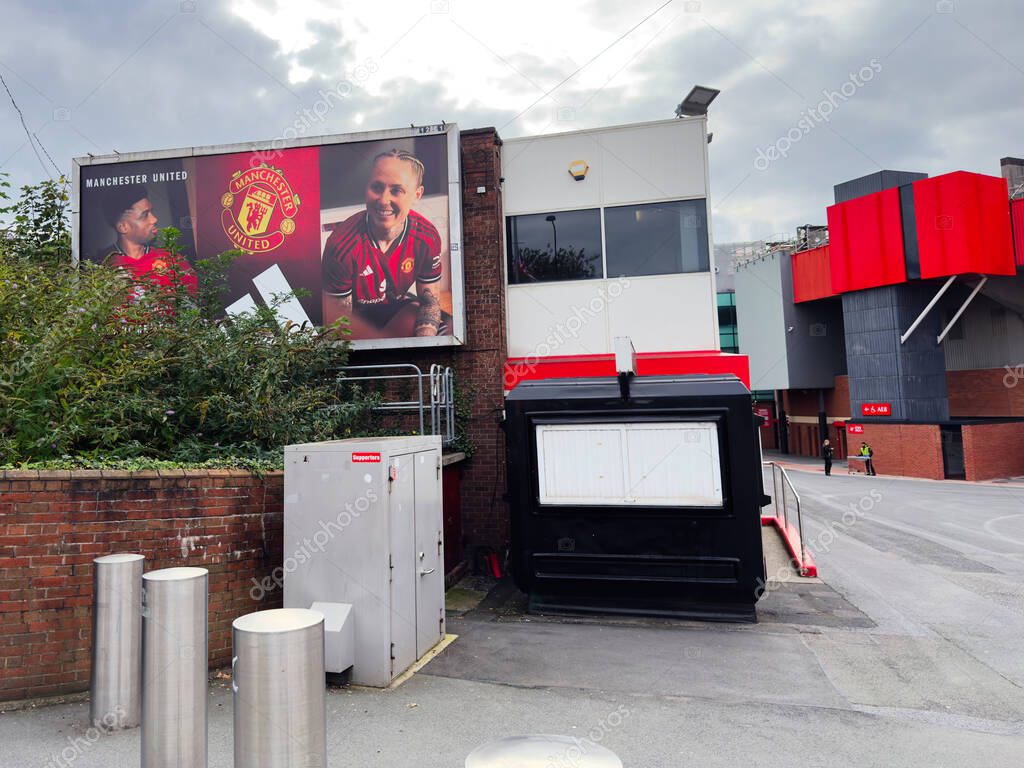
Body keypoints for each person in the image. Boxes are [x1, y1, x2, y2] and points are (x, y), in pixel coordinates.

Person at [321, 149, 444, 339]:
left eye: (396, 190)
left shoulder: (427, 237)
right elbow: (338, 323)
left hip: (393, 309)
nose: (383, 199)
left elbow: (429, 302)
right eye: (377, 187)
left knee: (443, 327)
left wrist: (425, 347)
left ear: (417, 194)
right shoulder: (341, 245)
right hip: (355, 318)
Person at [100, 184, 197, 296]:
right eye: (145, 215)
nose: (154, 219)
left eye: (152, 212)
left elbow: (200, 302)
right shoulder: (100, 267)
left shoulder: (173, 260)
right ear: (123, 227)